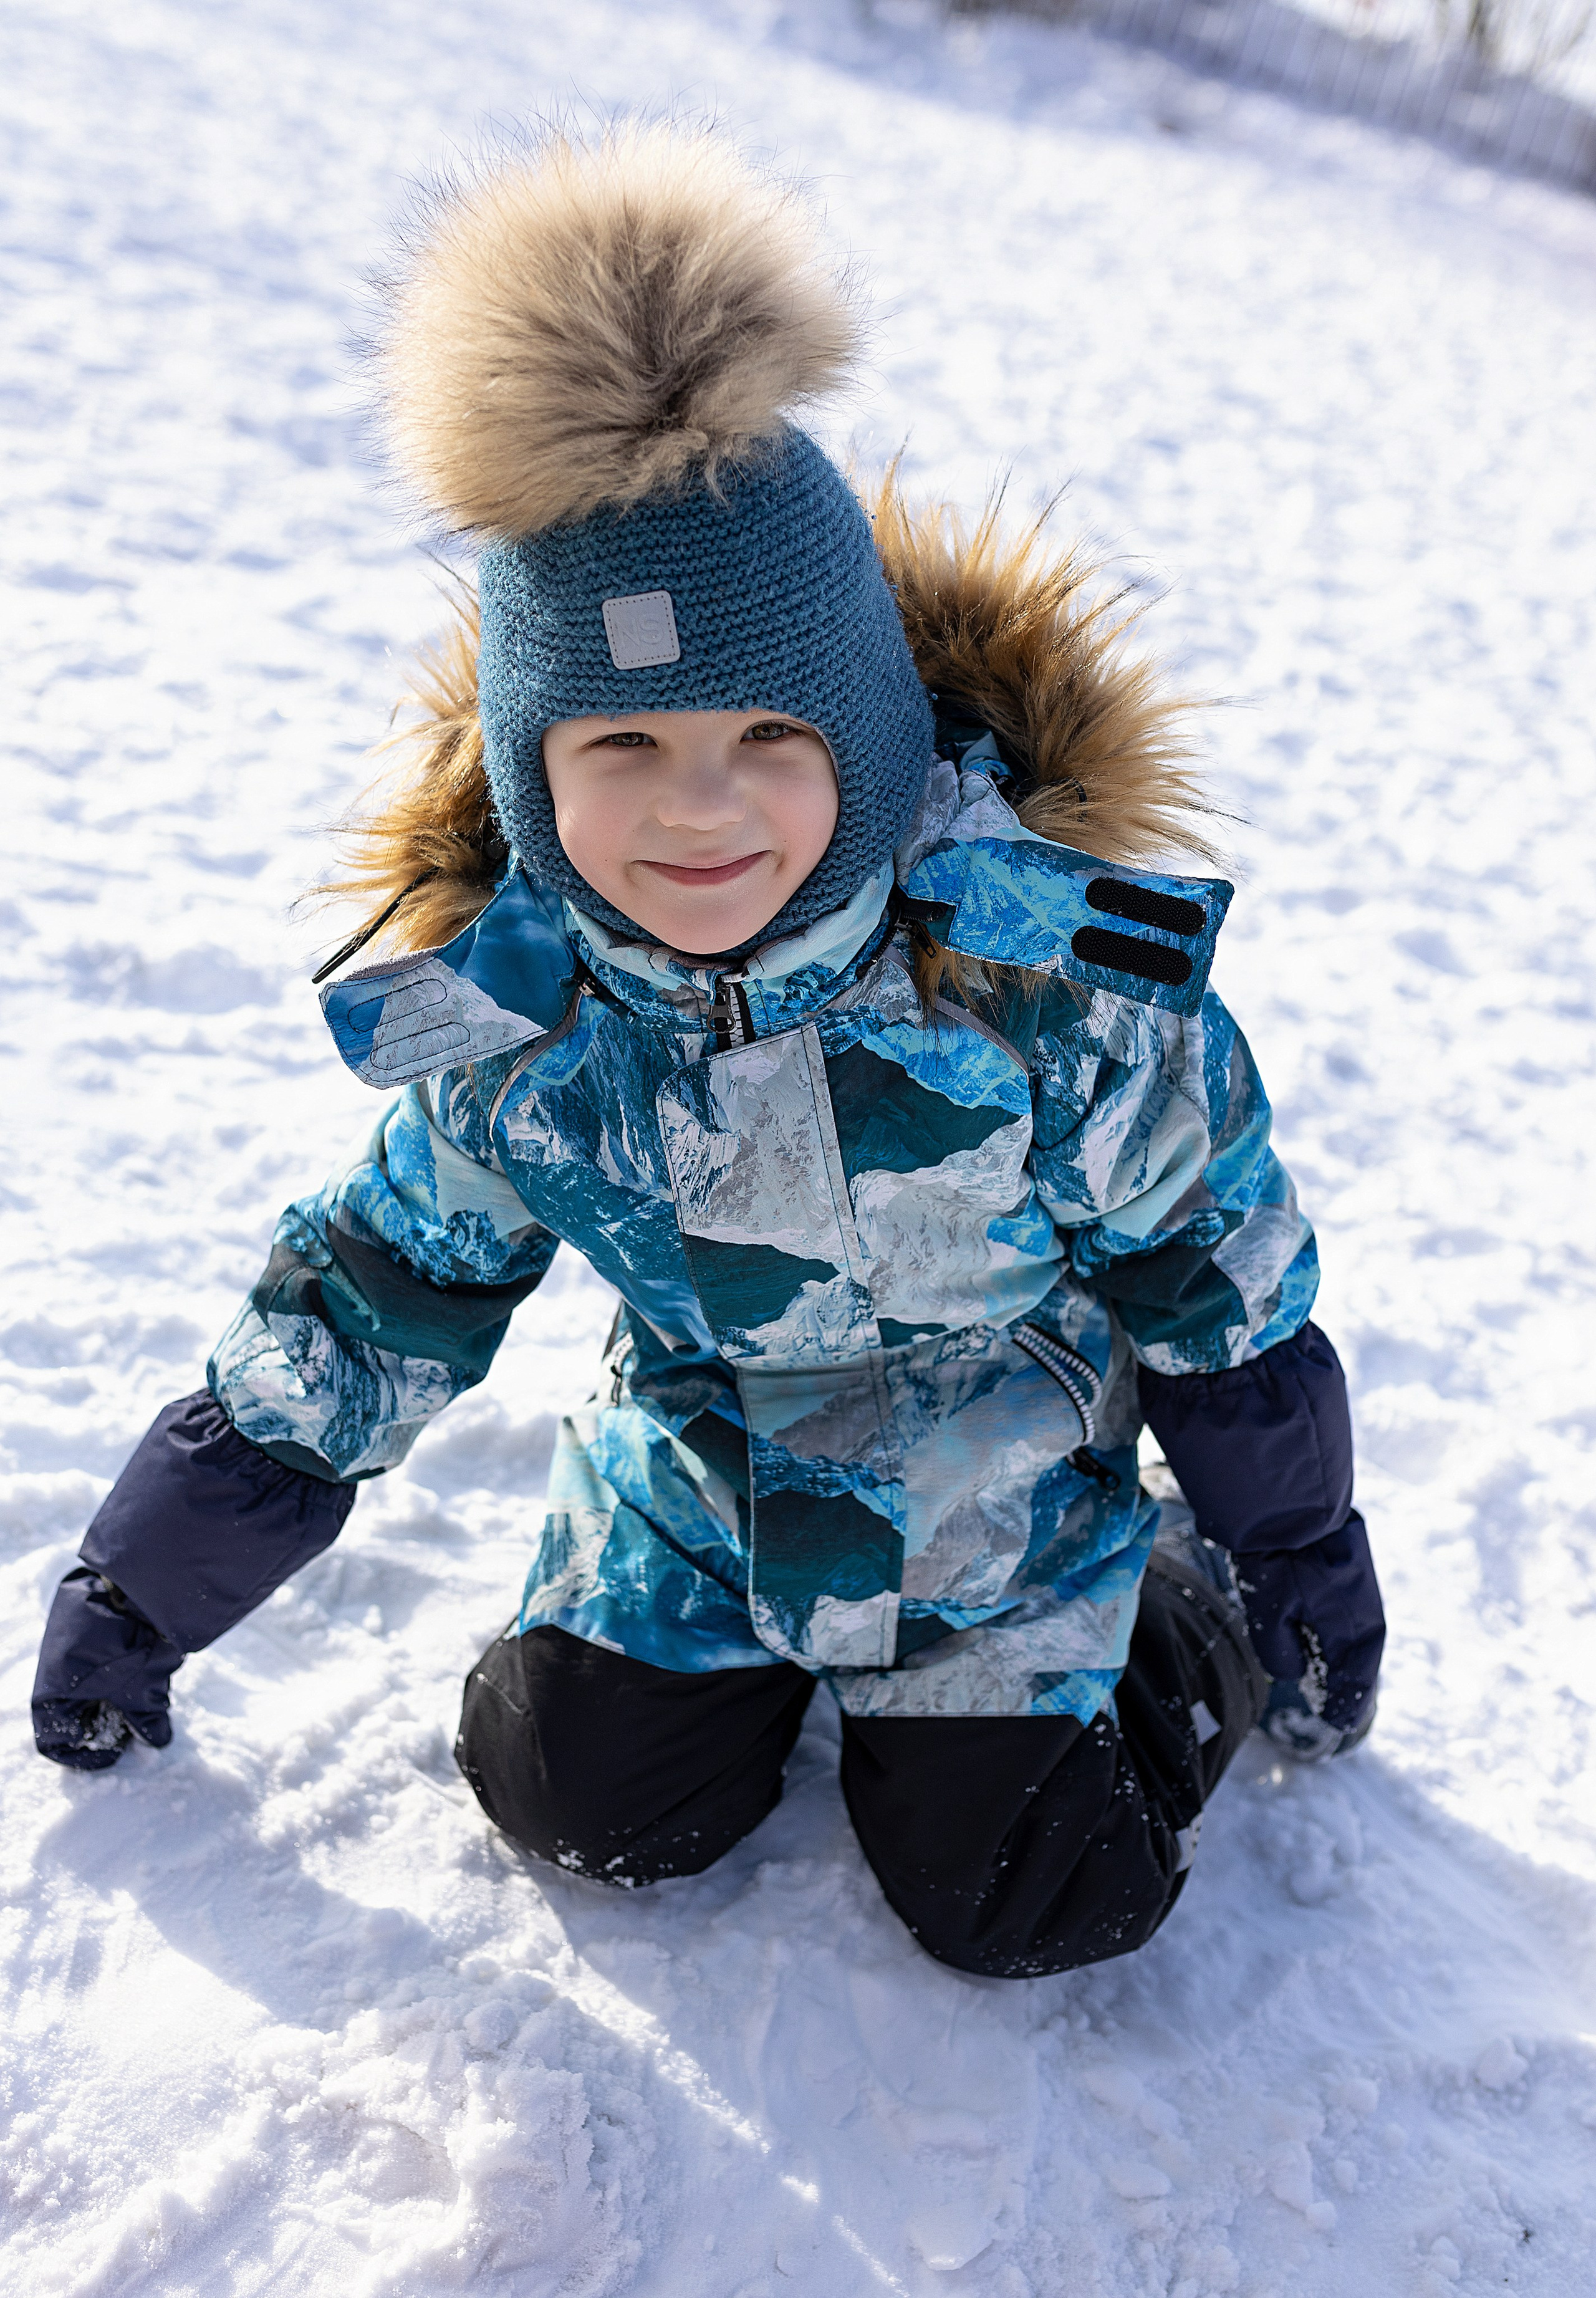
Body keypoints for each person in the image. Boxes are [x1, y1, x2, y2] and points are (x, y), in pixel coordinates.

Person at [31, 123, 1384, 1977]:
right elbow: (371, 1292)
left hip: (1005, 1484)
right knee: (578, 1800)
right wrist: (143, 1588)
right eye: (622, 749)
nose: (702, 814)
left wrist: (1302, 1569)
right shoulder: (523, 1038)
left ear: (873, 728)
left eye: (768, 732)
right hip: (707, 1481)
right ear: (531, 771)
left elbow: (1219, 1291)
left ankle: (1175, 1614)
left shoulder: (1046, 989)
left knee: (1034, 1890)